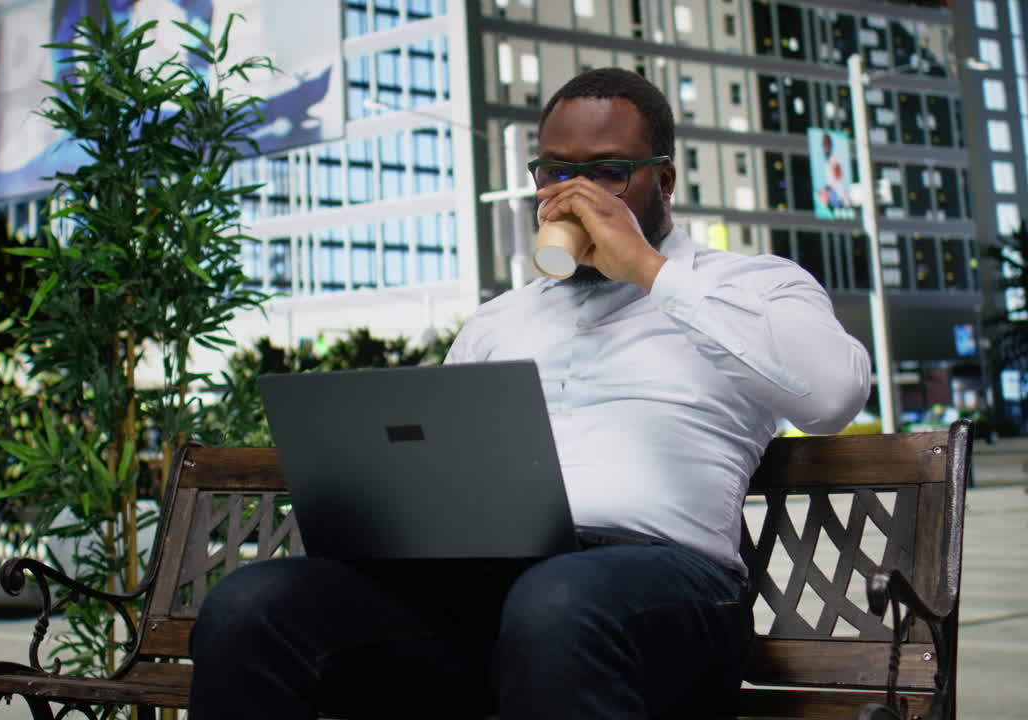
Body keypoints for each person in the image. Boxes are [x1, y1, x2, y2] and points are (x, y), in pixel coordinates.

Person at [187, 68, 870, 719]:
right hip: (483, 602)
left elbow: (833, 395)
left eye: (607, 172)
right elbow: (435, 468)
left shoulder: (748, 287)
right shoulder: (500, 318)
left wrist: (650, 271)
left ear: (662, 179)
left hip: (668, 596)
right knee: (252, 606)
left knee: (558, 602)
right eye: (556, 172)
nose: (574, 194)